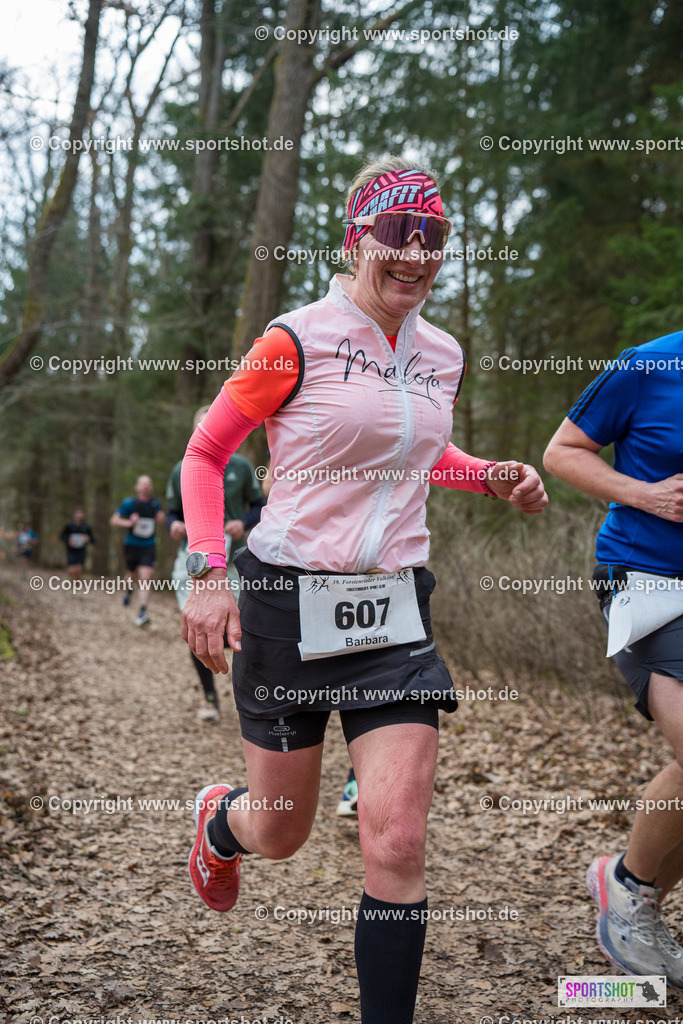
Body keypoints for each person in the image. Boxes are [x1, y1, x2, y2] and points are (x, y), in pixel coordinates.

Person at [181, 157, 548, 1024]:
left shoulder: (442, 354)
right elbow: (205, 454)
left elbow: (413, 458)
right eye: (400, 236)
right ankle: (220, 823)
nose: (417, 256)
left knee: (396, 838)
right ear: (358, 238)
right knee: (281, 830)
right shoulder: (295, 340)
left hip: (391, 610)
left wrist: (486, 474)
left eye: (435, 240)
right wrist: (206, 573)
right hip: (284, 604)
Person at [544, 330, 683, 988]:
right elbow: (562, 452)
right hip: (647, 581)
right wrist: (644, 494)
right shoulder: (649, 365)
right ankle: (631, 892)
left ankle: (634, 887)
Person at [166, 405, 265, 723]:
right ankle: (210, 700)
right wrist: (175, 524)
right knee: (200, 624)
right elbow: (170, 511)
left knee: (238, 629)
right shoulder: (182, 468)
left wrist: (242, 522)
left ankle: (248, 699)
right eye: (199, 426)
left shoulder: (241, 466)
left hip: (234, 561)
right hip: (192, 561)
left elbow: (260, 506)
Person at [110, 476, 165, 627]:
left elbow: (161, 518)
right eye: (143, 484)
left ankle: (142, 611)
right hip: (132, 544)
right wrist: (129, 522)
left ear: (151, 488)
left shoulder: (155, 503)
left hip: (149, 544)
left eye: (149, 484)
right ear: (137, 487)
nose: (146, 486)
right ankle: (128, 591)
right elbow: (114, 520)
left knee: (145, 577)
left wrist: (161, 518)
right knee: (132, 574)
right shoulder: (130, 503)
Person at [60, 507, 95, 582]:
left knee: (79, 568)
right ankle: (70, 579)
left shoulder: (86, 527)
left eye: (80, 514)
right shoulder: (69, 526)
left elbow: (92, 539)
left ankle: (76, 586)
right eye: (77, 514)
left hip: (81, 550)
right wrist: (68, 541)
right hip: (71, 550)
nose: (79, 516)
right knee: (71, 568)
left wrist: (88, 539)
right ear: (74, 515)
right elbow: (62, 536)